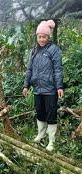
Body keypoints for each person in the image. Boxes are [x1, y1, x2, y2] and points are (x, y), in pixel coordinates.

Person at [22, 19, 64, 151]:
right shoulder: (33, 51)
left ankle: (51, 141)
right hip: (37, 89)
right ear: (37, 36)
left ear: (48, 36)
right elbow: (29, 70)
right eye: (40, 36)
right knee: (40, 113)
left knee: (51, 114)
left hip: (50, 89)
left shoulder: (53, 50)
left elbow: (58, 69)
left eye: (44, 36)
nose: (42, 39)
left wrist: (59, 87)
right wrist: (26, 85)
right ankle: (41, 134)